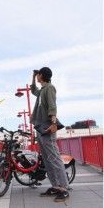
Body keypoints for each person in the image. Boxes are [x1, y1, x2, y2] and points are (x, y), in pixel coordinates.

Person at [30, 67, 69, 202]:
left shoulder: (50, 88)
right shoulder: (42, 90)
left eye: (38, 74)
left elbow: (53, 106)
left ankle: (63, 188)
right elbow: (33, 90)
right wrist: (32, 77)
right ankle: (56, 186)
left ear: (42, 75)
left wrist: (53, 124)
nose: (36, 76)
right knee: (47, 160)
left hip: (48, 127)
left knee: (54, 158)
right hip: (41, 128)